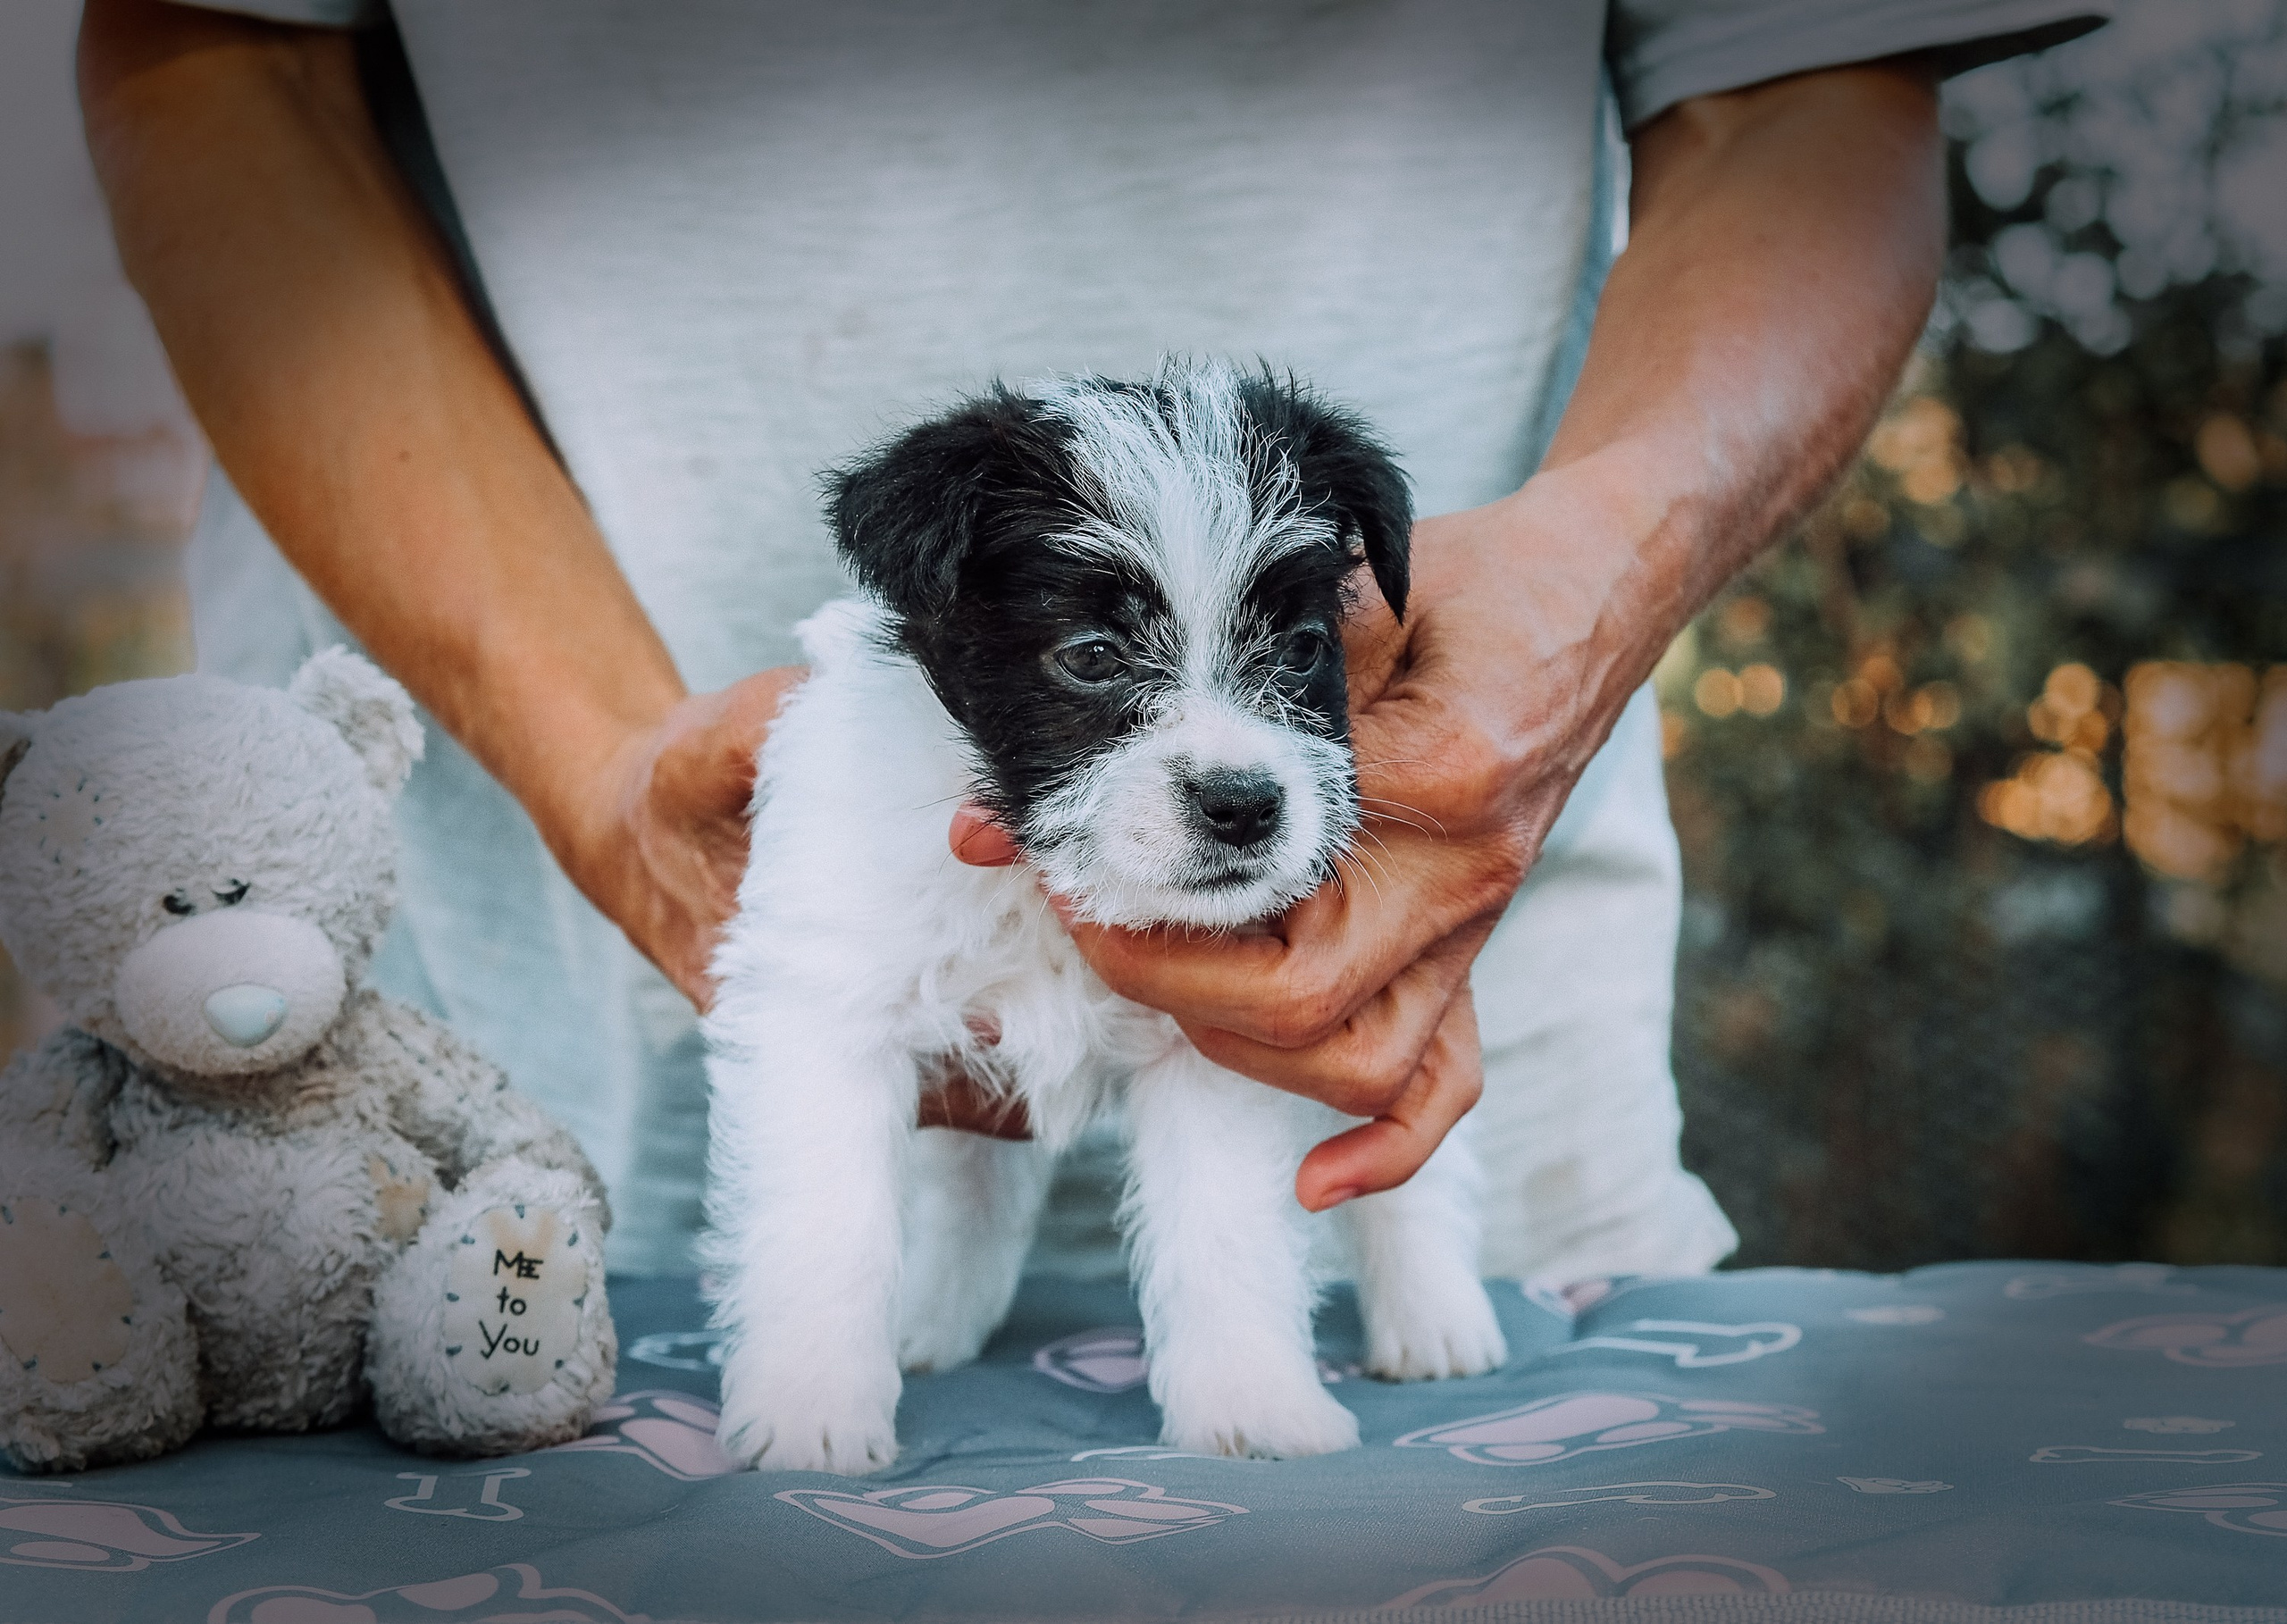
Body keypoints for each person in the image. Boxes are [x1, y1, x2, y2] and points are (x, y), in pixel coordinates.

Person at [80, 0, 2106, 1276]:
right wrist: (598, 763)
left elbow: (1805, 76)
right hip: (478, 1141)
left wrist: (1580, 597)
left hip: (1426, 1034)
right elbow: (212, 55)